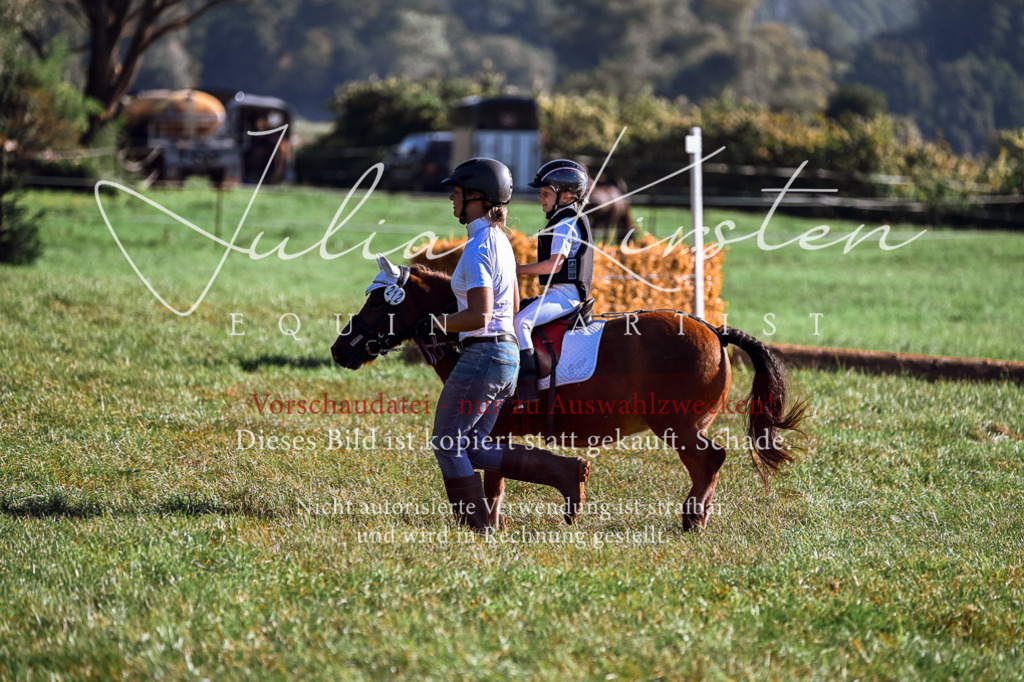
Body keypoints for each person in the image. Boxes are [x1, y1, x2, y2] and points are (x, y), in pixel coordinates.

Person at [424, 158, 591, 532]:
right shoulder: (501, 241)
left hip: (482, 355)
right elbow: (513, 306)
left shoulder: (478, 248)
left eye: (457, 191)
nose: (451, 196)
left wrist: (435, 323)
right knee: (475, 447)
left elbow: (480, 316)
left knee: (447, 443)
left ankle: (477, 531)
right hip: (507, 358)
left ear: (476, 198)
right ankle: (562, 471)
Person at [513, 159, 594, 402]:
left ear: (567, 196)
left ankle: (527, 390)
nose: (541, 197)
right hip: (560, 292)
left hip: (566, 295)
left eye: (546, 193)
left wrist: (515, 269)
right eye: (541, 192)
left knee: (521, 323)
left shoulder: (565, 224)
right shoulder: (565, 218)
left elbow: (553, 265)